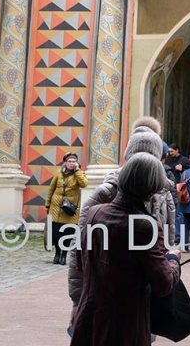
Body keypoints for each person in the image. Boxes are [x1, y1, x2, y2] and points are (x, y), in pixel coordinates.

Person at [69, 153, 182, 346]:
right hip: (124, 325)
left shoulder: (94, 213)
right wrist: (173, 259)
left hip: (90, 316)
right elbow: (163, 284)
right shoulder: (146, 227)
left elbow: (80, 261)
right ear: (152, 188)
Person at [68, 122, 173, 312]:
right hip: (107, 292)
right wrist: (78, 297)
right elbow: (80, 246)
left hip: (141, 292)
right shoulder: (106, 193)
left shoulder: (162, 193)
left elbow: (167, 233)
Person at [46, 152, 88, 265]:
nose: (71, 163)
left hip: (70, 209)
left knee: (67, 233)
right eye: (69, 161)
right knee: (56, 233)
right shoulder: (58, 173)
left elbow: (84, 184)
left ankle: (64, 255)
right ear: (65, 162)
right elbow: (51, 189)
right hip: (56, 208)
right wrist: (47, 204)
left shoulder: (80, 173)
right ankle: (57, 253)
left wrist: (77, 171)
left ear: (77, 163)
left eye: (74, 161)